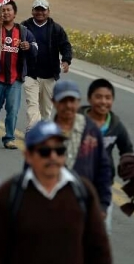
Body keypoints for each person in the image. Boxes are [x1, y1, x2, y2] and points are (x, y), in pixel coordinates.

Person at [0, 120, 112, 264]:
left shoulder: (82, 191)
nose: (53, 157)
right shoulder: (10, 193)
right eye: (45, 151)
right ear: (28, 155)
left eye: (59, 150)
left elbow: (99, 250)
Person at [79, 78, 134, 233]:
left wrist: (133, 173)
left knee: (100, 233)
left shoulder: (115, 125)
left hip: (103, 186)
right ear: (90, 99)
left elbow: (127, 150)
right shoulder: (76, 120)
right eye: (98, 97)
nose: (103, 102)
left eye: (108, 98)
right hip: (76, 184)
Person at [50, 80, 112, 214]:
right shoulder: (45, 133)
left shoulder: (91, 130)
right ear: (54, 102)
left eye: (72, 101)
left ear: (78, 102)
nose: (68, 105)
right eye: (63, 101)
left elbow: (103, 167)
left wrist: (103, 204)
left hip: (83, 205)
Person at [0, 0, 37, 149]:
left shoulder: (23, 31)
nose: (6, 12)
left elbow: (34, 48)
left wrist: (28, 47)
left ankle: (9, 138)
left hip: (15, 78)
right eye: (3, 10)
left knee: (13, 109)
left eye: (9, 10)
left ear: (14, 13)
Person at [21, 0, 73, 129]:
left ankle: (43, 131)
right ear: (32, 11)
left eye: (43, 10)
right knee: (32, 105)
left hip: (49, 75)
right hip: (30, 74)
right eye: (37, 9)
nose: (40, 12)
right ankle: (32, 131)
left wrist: (66, 60)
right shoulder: (24, 27)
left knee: (46, 109)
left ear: (48, 12)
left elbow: (65, 45)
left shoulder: (56, 29)